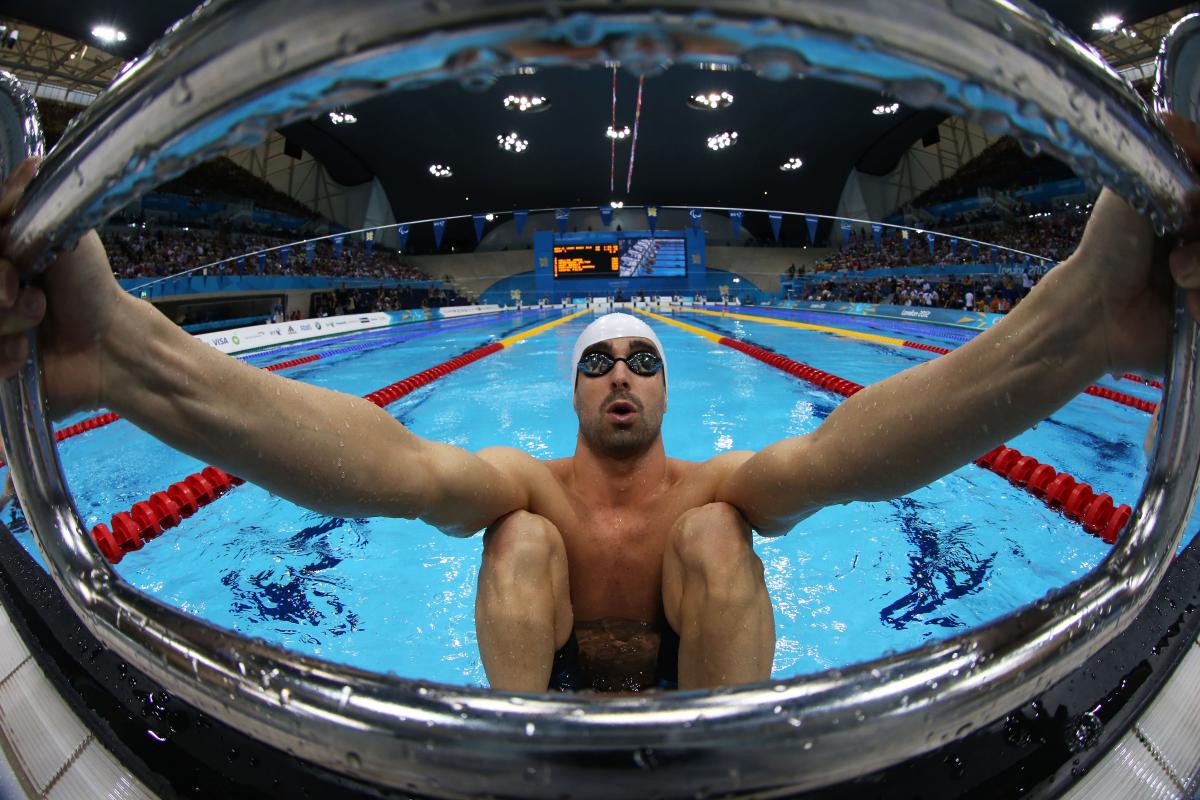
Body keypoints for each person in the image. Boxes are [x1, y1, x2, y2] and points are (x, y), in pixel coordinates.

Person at [2, 115, 1200, 694]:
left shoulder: (712, 486)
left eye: (636, 358)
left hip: (704, 686)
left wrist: (1076, 327)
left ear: (670, 379)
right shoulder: (529, 486)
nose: (618, 371)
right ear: (566, 387)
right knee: (511, 536)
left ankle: (735, 771)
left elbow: (850, 449)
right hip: (546, 699)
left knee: (720, 533)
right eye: (595, 360)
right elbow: (387, 460)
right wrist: (130, 360)